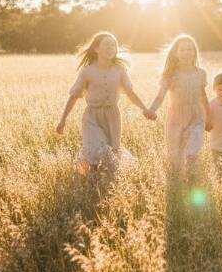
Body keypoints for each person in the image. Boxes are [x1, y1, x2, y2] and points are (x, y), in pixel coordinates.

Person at [56, 31, 154, 173]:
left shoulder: (120, 70)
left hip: (112, 116)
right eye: (107, 44)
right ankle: (92, 181)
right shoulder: (87, 71)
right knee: (96, 148)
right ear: (96, 49)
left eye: (114, 45)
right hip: (92, 116)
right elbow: (73, 96)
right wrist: (63, 120)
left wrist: (145, 109)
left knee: (112, 151)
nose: (111, 48)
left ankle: (103, 181)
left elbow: (130, 93)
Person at [148, 34, 211, 175]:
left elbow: (203, 96)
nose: (186, 53)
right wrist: (152, 109)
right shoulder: (170, 75)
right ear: (175, 53)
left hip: (196, 117)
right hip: (176, 118)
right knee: (175, 155)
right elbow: (160, 96)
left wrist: (209, 117)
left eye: (189, 49)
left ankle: (193, 179)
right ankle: (178, 179)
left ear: (194, 52)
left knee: (192, 150)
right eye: (182, 50)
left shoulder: (200, 73)